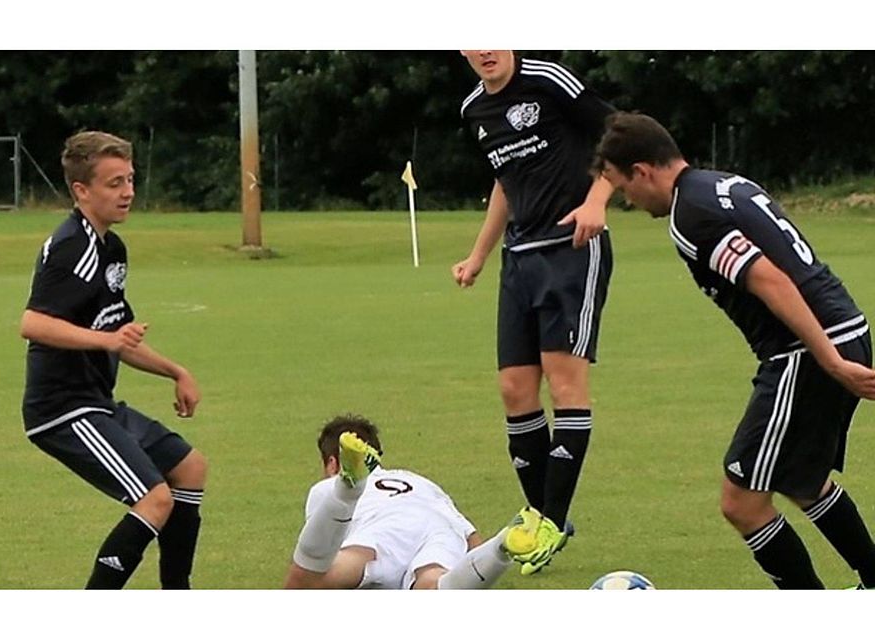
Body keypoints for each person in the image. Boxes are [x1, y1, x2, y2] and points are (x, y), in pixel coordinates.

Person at [595, 111, 875, 589]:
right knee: (803, 481)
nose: (629, 202)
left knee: (741, 502)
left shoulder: (690, 214)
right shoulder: (724, 184)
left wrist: (830, 361)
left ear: (641, 171)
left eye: (624, 189)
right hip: (843, 327)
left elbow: (770, 280)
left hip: (805, 351)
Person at [20, 131, 208, 589]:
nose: (127, 192)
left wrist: (176, 371)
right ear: (81, 190)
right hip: (62, 409)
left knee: (190, 468)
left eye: (130, 180)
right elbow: (33, 323)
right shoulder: (71, 246)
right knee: (155, 499)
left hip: (97, 404)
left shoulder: (112, 249)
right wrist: (105, 341)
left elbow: (118, 335)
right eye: (114, 183)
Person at [453, 50, 616, 573]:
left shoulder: (546, 80)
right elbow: (506, 182)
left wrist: (598, 201)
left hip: (572, 249)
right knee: (514, 390)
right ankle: (544, 517)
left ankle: (549, 522)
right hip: (519, 260)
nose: (485, 49)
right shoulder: (474, 109)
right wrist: (478, 255)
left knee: (564, 382)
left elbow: (623, 135)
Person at [285, 414, 544, 589]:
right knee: (434, 583)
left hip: (381, 531)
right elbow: (471, 539)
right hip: (439, 528)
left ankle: (347, 489)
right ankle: (500, 547)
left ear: (332, 463)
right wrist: (483, 557)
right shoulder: (415, 479)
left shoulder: (325, 488)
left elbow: (318, 555)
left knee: (305, 582)